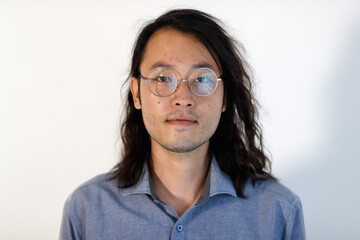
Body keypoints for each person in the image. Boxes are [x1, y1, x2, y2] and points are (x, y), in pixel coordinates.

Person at [60, 9, 305, 239]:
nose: (183, 99)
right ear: (137, 94)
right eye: (163, 78)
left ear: (225, 97)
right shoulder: (86, 210)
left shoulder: (278, 211)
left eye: (202, 79)